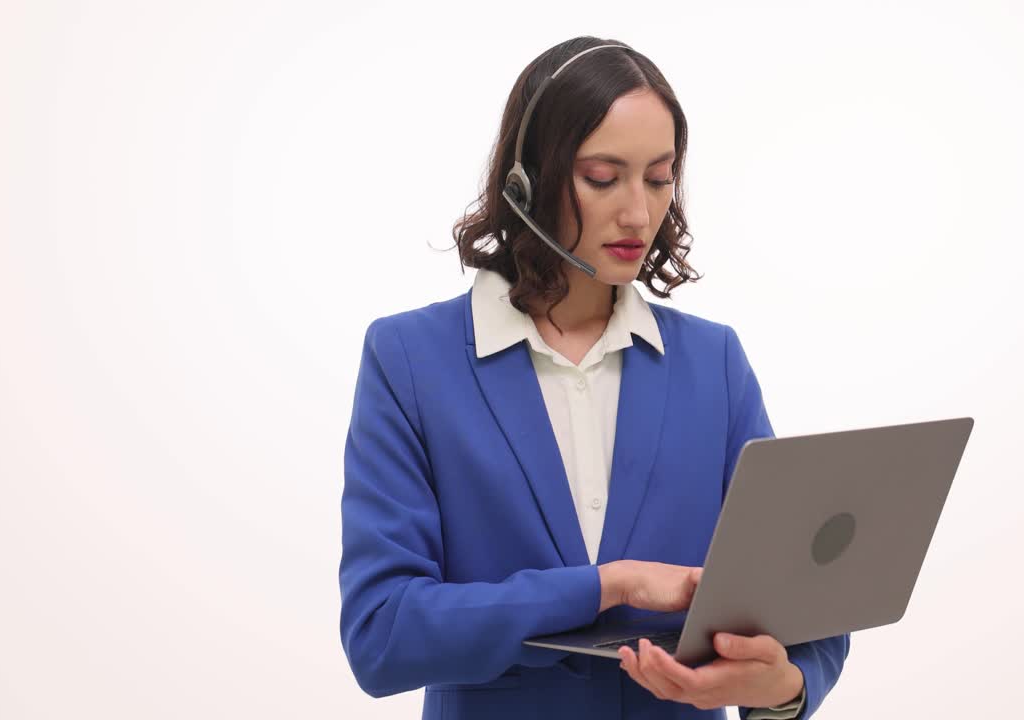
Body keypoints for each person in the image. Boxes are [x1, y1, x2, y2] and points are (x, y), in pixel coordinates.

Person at [338, 36, 850, 720]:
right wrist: (606, 587)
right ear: (526, 181)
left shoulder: (713, 364)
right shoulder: (410, 360)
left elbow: (801, 607)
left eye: (660, 177)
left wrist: (784, 689)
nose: (638, 213)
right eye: (604, 178)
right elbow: (383, 633)